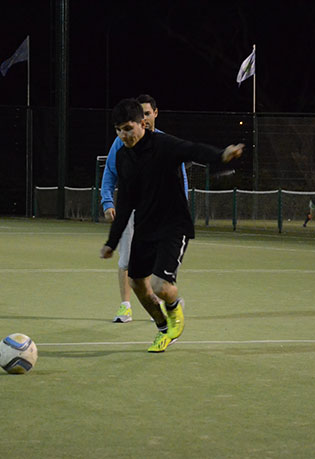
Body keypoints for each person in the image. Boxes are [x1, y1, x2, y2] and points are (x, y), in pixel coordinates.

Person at [99, 98, 243, 352]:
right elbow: (126, 203)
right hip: (145, 227)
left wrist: (221, 155)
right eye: (119, 130)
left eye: (129, 128)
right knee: (137, 284)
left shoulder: (163, 144)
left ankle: (176, 311)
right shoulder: (123, 157)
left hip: (173, 225)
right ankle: (163, 328)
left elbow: (193, 149)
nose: (124, 135)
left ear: (143, 123)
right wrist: (112, 242)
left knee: (160, 286)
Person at [100, 94, 188, 323]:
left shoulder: (165, 143)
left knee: (157, 263)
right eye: (142, 114)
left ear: (154, 114)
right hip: (133, 211)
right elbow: (110, 172)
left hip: (162, 213)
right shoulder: (123, 140)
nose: (146, 118)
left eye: (148, 113)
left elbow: (181, 178)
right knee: (127, 261)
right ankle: (125, 306)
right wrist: (107, 202)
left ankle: (160, 302)